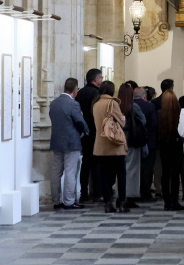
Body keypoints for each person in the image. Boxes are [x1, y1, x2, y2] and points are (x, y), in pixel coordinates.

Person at [48, 77, 87, 209]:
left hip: (57, 141)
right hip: (71, 142)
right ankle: (69, 201)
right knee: (70, 171)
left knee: (56, 172)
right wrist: (86, 131)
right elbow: (80, 122)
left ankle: (56, 201)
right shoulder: (73, 104)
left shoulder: (54, 103)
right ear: (75, 90)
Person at [92, 80, 128, 212]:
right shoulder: (112, 103)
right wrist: (123, 118)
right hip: (114, 144)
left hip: (101, 144)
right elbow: (121, 122)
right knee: (121, 174)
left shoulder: (96, 103)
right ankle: (122, 202)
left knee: (105, 175)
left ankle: (108, 203)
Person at [77, 68, 104, 201]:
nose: (102, 80)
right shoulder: (96, 93)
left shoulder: (80, 92)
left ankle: (83, 192)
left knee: (86, 163)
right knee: (97, 163)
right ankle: (97, 192)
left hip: (84, 133)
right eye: (101, 78)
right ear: (96, 79)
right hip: (95, 132)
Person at [120, 81, 148, 209]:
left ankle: (121, 195)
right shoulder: (133, 106)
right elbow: (143, 120)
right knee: (132, 168)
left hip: (119, 140)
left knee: (121, 169)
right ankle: (130, 196)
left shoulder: (115, 105)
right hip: (131, 140)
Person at [158, 80, 184, 209]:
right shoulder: (179, 114)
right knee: (175, 173)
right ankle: (175, 200)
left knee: (165, 172)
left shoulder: (159, 114)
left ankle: (166, 201)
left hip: (164, 145)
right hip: (177, 145)